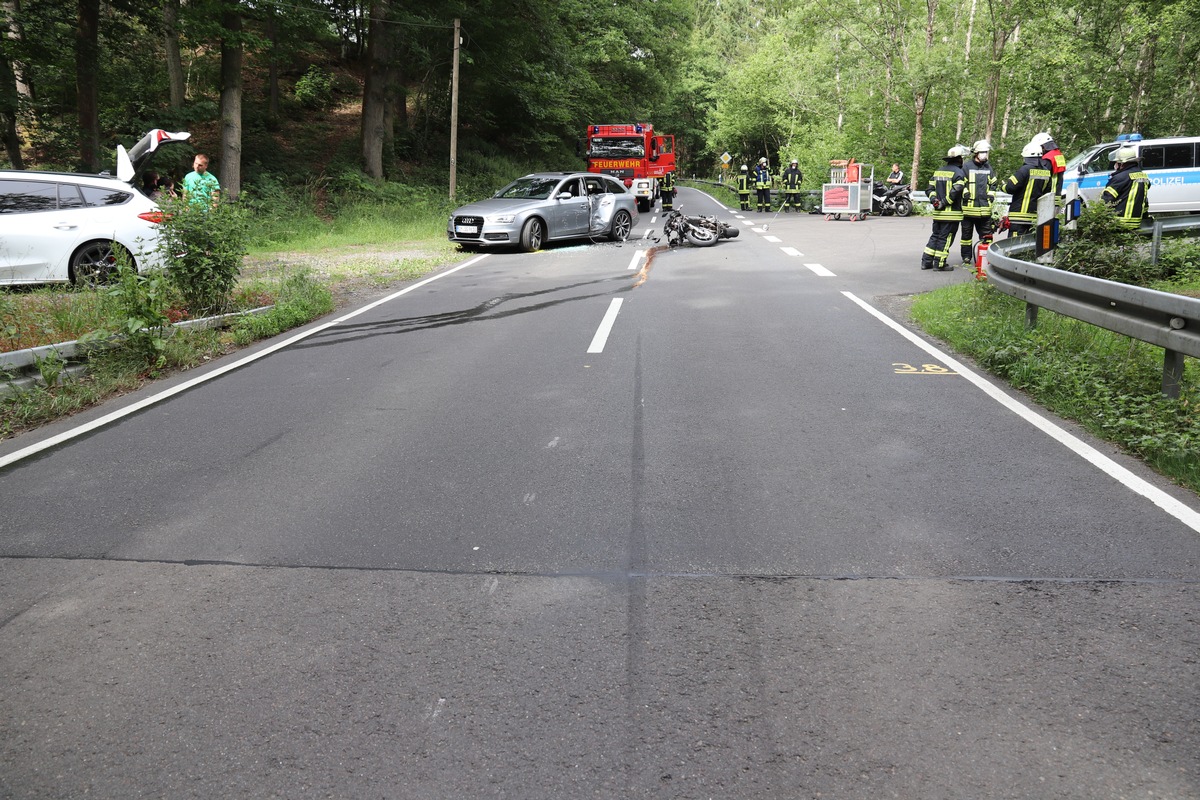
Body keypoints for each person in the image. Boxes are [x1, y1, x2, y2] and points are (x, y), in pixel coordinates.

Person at [921, 144, 968, 271]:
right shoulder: (959, 173)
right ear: (959, 159)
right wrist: (944, 202)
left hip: (938, 213)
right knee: (946, 238)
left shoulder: (938, 171)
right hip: (951, 214)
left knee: (935, 235)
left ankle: (926, 262)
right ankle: (940, 263)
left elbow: (929, 189)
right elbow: (956, 190)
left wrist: (934, 201)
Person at [1002, 138, 1052, 236]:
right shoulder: (1047, 172)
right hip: (1034, 217)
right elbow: (1047, 192)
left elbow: (1010, 187)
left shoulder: (1024, 170)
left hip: (1018, 216)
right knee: (1028, 246)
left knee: (1014, 246)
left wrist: (1002, 186)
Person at [959, 140, 997, 265]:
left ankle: (986, 258)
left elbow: (993, 184)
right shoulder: (967, 166)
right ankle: (966, 257)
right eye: (983, 152)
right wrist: (965, 193)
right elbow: (960, 183)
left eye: (986, 152)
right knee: (966, 237)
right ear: (976, 153)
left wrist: (990, 196)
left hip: (984, 210)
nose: (985, 155)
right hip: (969, 209)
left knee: (986, 236)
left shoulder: (988, 167)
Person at [1102, 145, 1150, 230]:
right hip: (1136, 223)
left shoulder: (1120, 178)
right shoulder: (1144, 177)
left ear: (1122, 163)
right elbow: (1144, 200)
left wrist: (1095, 216)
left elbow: (1106, 199)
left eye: (1116, 162)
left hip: (1119, 223)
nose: (1115, 165)